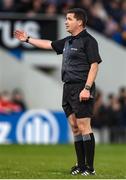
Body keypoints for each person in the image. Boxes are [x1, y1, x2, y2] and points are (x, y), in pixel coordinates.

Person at [14, 8, 102, 176]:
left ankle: (89, 168)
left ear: (80, 22)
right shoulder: (69, 41)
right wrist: (28, 39)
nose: (66, 21)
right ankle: (80, 164)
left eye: (69, 18)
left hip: (81, 87)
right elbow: (49, 44)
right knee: (75, 128)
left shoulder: (89, 41)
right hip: (67, 87)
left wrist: (87, 88)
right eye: (66, 18)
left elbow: (94, 65)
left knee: (84, 126)